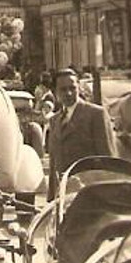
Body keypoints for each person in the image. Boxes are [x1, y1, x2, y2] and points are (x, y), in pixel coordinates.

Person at [46, 67, 118, 197]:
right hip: (63, 195)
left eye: (72, 88)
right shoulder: (54, 120)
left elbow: (108, 158)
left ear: (79, 87)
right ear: (55, 92)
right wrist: (52, 197)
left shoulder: (96, 114)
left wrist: (109, 194)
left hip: (90, 193)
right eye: (63, 90)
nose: (68, 93)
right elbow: (53, 164)